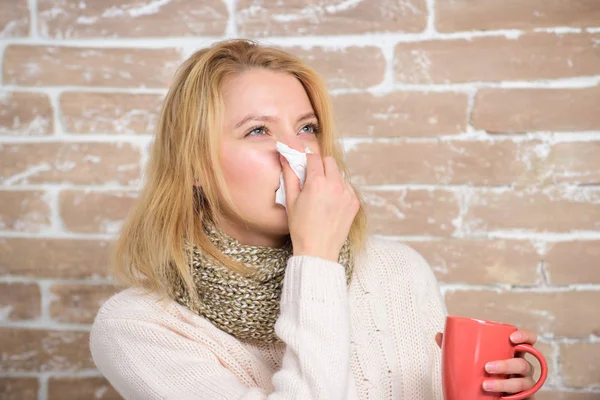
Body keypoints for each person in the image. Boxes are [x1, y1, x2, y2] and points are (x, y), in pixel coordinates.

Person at [90, 39, 540, 399]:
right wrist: (316, 260)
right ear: (194, 168)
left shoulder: (399, 271)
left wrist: (500, 391)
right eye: (258, 130)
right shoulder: (138, 327)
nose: (299, 152)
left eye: (307, 128)